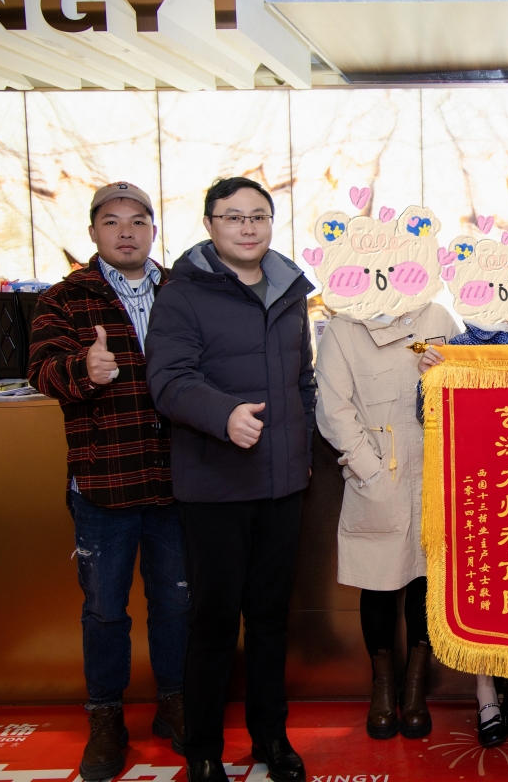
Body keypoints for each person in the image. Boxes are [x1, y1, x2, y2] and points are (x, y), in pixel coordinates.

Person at [146, 177, 316, 782]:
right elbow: (168, 381)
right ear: (209, 224)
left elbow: (302, 382)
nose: (248, 227)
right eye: (233, 217)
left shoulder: (290, 291)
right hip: (216, 485)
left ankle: (272, 737)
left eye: (258, 216)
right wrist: (224, 415)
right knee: (214, 624)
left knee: (270, 620)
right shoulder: (182, 295)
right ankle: (203, 749)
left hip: (281, 487)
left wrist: (301, 451)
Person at [28, 181, 185, 781]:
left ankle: (175, 702)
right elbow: (41, 371)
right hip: (103, 480)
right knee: (104, 609)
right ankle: (105, 717)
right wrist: (82, 369)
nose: (126, 231)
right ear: (93, 231)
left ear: (153, 230)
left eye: (138, 220)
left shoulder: (182, 290)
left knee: (178, 600)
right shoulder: (66, 298)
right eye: (113, 221)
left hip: (178, 479)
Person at [417, 294, 508, 749]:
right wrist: (429, 377)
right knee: (484, 586)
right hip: (478, 488)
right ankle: (484, 693)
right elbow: (426, 417)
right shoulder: (460, 345)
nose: (507, 291)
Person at [315, 292, 459, 742]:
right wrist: (368, 466)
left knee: (426, 581)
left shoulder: (437, 316)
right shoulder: (344, 327)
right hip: (379, 472)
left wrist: (445, 373)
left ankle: (415, 688)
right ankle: (382, 688)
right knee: (377, 581)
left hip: (435, 471)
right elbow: (333, 408)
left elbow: (472, 382)